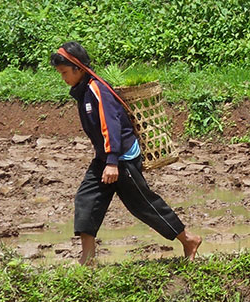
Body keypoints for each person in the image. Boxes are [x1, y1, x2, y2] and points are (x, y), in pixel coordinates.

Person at [50, 42, 201, 264]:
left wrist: (112, 162)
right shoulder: (84, 92)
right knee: (87, 199)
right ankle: (88, 258)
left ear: (78, 68)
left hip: (121, 159)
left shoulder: (97, 90)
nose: (63, 78)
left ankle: (189, 239)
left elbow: (110, 127)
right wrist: (107, 160)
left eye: (64, 72)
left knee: (143, 205)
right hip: (106, 158)